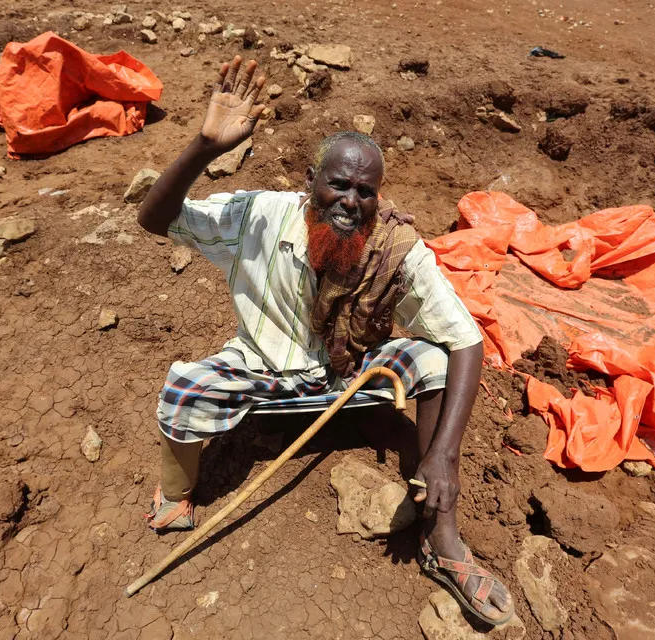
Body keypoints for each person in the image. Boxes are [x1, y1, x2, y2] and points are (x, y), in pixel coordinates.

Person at [136, 55, 514, 626]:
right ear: (310, 183)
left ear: (378, 197)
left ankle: (443, 541)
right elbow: (155, 219)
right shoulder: (259, 215)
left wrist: (444, 457)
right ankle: (175, 495)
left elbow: (467, 342)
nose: (350, 201)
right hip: (262, 370)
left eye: (365, 190)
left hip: (349, 375)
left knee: (433, 357)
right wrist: (206, 147)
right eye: (338, 184)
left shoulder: (395, 249)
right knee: (186, 390)